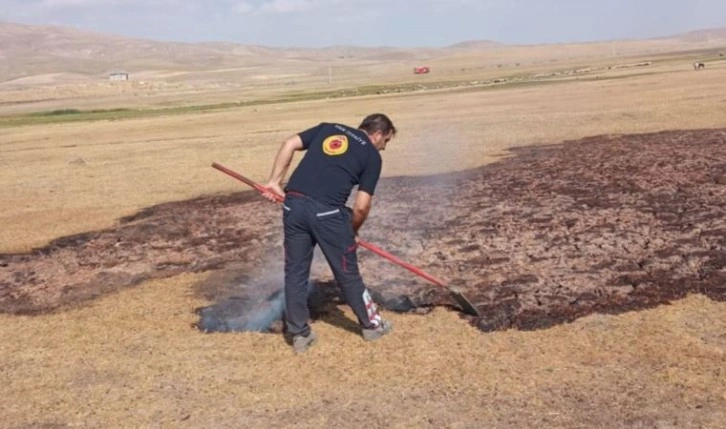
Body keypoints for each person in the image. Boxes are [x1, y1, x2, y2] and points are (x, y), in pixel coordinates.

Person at [262, 113, 396, 354]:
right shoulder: (371, 155)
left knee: (295, 272)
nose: (384, 147)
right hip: (327, 214)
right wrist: (351, 231)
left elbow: (289, 143)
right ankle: (372, 326)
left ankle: (299, 334)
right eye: (386, 141)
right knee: (347, 272)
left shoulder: (328, 128)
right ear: (377, 135)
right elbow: (362, 206)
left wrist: (274, 182)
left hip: (293, 205)